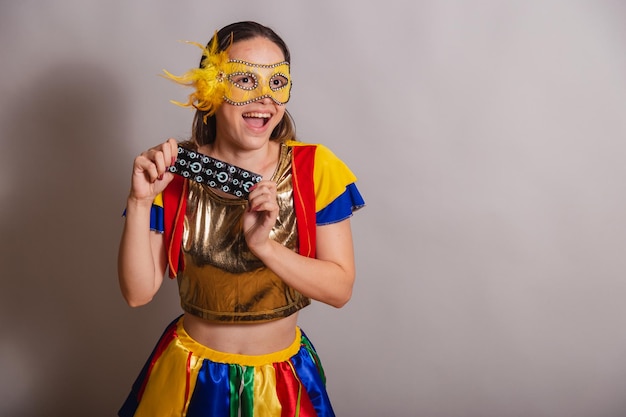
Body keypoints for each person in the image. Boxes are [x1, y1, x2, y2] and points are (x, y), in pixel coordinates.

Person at [117, 21, 364, 417]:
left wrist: (264, 247)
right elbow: (138, 293)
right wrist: (140, 200)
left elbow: (340, 289)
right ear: (210, 90)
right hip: (191, 378)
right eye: (245, 80)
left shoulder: (314, 169)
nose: (264, 98)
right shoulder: (173, 170)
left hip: (281, 380)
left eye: (276, 81)